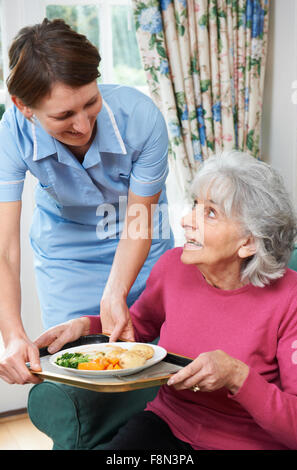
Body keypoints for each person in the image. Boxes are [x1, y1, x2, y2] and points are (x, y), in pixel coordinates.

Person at [35, 151, 297, 450]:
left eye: (210, 213)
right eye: (195, 205)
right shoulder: (174, 266)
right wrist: (86, 327)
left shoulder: (292, 299)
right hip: (168, 425)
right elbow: (137, 330)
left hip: (246, 442)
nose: (186, 221)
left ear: (249, 242)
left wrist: (237, 376)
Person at [0, 18, 173, 385]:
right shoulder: (10, 136)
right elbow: (4, 249)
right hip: (67, 253)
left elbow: (139, 221)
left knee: (147, 363)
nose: (82, 126)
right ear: (23, 106)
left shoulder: (140, 118)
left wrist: (116, 292)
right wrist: (13, 336)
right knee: (78, 368)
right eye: (63, 116)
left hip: (139, 240)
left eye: (90, 103)